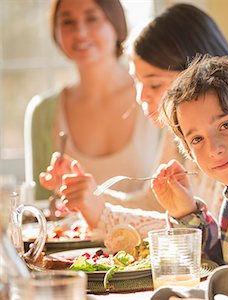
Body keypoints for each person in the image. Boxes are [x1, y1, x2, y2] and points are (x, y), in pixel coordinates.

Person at [39, 3, 228, 227]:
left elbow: (209, 237)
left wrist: (100, 211)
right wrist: (91, 196)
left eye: (154, 84)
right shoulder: (193, 128)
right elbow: (157, 203)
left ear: (198, 75)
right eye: (137, 82)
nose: (140, 97)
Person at [85, 55, 228, 270]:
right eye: (197, 139)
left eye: (226, 125)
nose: (214, 149)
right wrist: (185, 211)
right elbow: (224, 266)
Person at [24, 0, 163, 211]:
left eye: (92, 18)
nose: (80, 32)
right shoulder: (43, 113)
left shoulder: (155, 94)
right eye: (67, 22)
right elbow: (42, 209)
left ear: (116, 24)